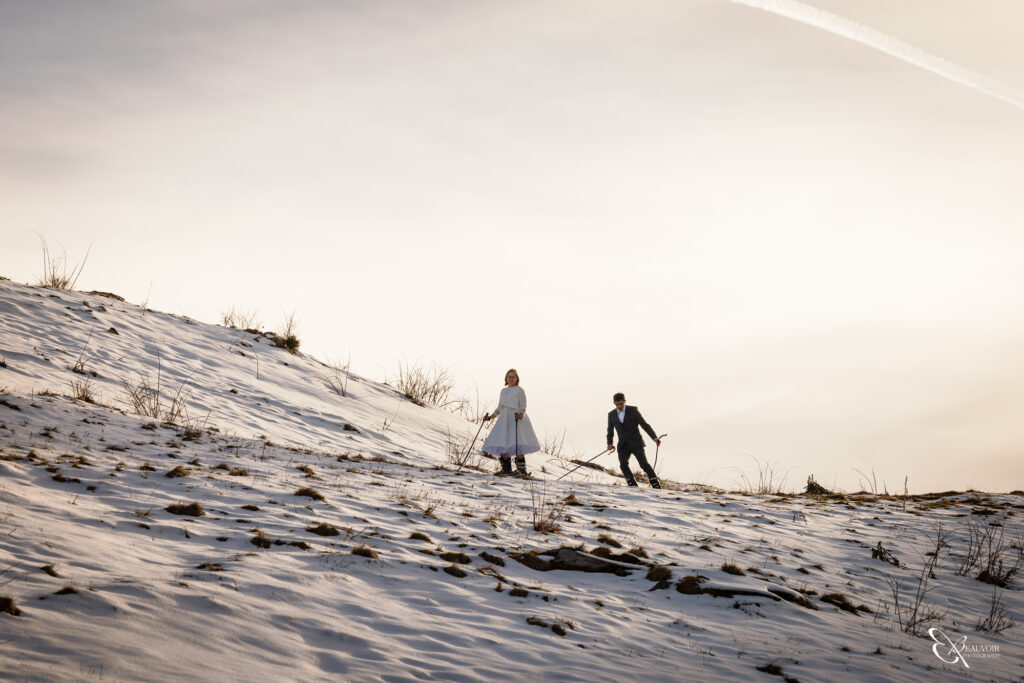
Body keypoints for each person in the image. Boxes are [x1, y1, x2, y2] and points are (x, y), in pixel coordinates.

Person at [482, 368, 540, 476]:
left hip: (516, 417)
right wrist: (490, 417)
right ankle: (506, 470)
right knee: (502, 443)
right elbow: (499, 408)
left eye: (513, 377)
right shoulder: (503, 391)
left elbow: (523, 406)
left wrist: (521, 414)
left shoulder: (519, 390)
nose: (511, 379)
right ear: (506, 378)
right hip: (504, 419)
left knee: (518, 444)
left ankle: (522, 472)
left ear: (517, 378)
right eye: (509, 377)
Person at [606, 392, 662, 489]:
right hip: (623, 444)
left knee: (643, 464)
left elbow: (644, 425)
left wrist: (655, 438)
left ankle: (655, 483)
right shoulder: (611, 414)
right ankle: (632, 484)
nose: (619, 406)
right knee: (623, 465)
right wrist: (609, 443)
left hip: (636, 443)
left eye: (621, 404)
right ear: (614, 403)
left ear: (624, 401)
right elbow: (610, 431)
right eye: (617, 404)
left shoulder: (633, 410)